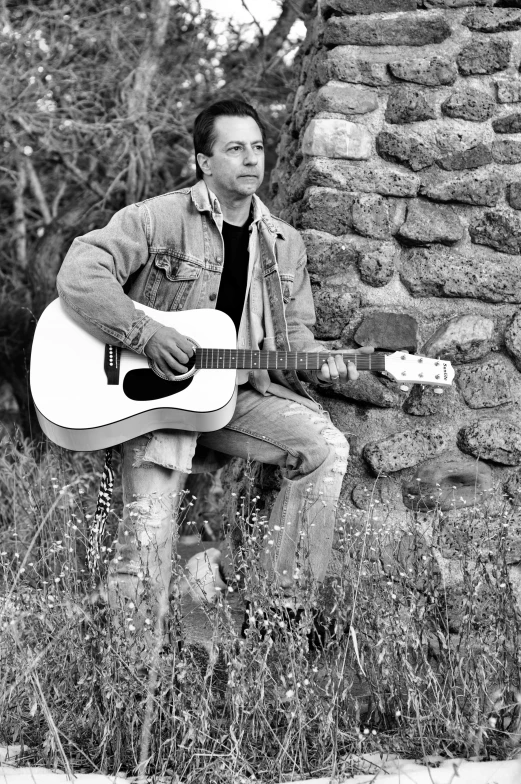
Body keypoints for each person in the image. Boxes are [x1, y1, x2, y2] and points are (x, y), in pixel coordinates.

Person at [57, 99, 370, 653]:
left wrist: (327, 359)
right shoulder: (157, 218)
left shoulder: (282, 243)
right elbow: (81, 274)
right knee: (149, 539)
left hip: (238, 395)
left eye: (258, 147)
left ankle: (282, 610)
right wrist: (146, 336)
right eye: (234, 148)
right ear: (203, 161)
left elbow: (293, 337)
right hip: (154, 399)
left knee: (324, 447)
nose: (251, 160)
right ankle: (132, 678)